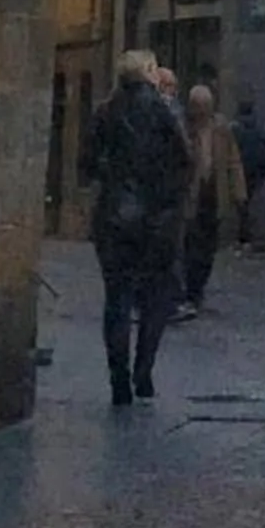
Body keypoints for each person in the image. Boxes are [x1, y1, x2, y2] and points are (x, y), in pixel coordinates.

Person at [81, 48, 192, 407]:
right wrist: (170, 204)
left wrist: (110, 178)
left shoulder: (104, 111)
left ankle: (118, 381)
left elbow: (85, 165)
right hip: (157, 223)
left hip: (113, 219)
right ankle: (143, 373)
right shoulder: (165, 111)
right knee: (154, 300)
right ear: (148, 72)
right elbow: (185, 161)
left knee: (117, 299)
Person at [178, 84, 247, 316]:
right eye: (197, 106)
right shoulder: (184, 127)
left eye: (204, 106)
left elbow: (233, 161)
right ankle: (190, 292)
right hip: (192, 196)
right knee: (190, 246)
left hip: (214, 195)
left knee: (207, 248)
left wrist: (239, 193)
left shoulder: (221, 128)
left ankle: (197, 290)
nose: (200, 110)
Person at [230, 92, 265, 244]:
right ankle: (248, 235)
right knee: (249, 203)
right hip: (257, 171)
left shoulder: (234, 128)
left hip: (240, 171)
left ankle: (242, 236)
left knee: (240, 205)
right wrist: (264, 170)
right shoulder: (260, 128)